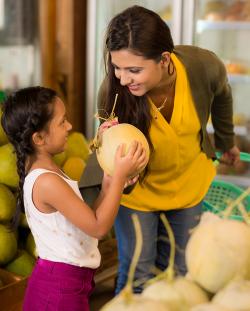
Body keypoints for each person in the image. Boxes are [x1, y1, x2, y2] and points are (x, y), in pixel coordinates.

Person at [96, 5, 241, 294]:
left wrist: (226, 140)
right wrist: (108, 151)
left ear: (164, 59)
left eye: (134, 70)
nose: (123, 79)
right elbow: (106, 151)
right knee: (137, 270)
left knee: (183, 270)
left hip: (188, 185)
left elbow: (223, 93)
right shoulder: (112, 92)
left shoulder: (203, 66)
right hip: (138, 194)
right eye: (117, 67)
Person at [1, 86, 147, 311]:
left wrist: (109, 184)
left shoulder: (50, 171)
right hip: (58, 291)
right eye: (62, 122)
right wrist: (118, 178)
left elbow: (89, 220)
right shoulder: (47, 182)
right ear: (39, 137)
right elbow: (99, 228)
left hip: (68, 284)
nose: (69, 126)